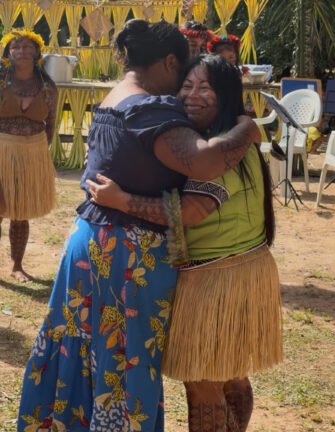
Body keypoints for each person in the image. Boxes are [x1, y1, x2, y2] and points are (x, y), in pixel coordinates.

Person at [17, 20, 260, 431]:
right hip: (127, 260)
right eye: (184, 77)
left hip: (93, 246)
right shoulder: (148, 107)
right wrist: (248, 127)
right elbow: (202, 161)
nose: (186, 90)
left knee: (86, 353)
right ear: (169, 62)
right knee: (121, 361)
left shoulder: (116, 97)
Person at [87, 55, 279, 431]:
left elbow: (190, 211)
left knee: (203, 384)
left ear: (225, 95)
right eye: (187, 86)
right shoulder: (234, 140)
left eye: (205, 88)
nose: (192, 96)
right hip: (242, 271)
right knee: (231, 375)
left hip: (216, 281)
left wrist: (123, 201)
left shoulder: (222, 149)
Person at [0, 29, 58, 281]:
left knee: (20, 212)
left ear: (37, 52)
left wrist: (39, 156)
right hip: (1, 150)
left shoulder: (47, 86)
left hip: (33, 152)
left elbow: (52, 123)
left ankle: (16, 266)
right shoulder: (1, 81)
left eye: (27, 46)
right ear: (8, 52)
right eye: (16, 46)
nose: (22, 50)